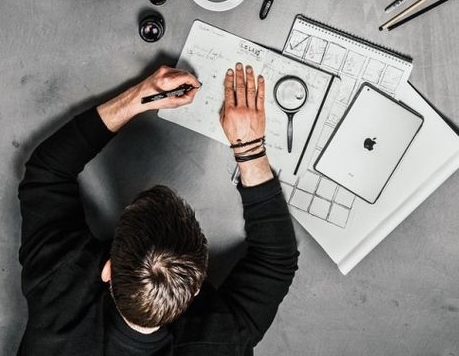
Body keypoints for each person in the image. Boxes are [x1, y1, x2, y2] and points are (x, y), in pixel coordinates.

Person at [17, 63, 299, 355]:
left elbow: (46, 172)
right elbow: (276, 262)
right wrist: (249, 147)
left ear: (108, 270)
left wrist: (138, 96)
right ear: (195, 288)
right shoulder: (220, 341)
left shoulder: (61, 293)